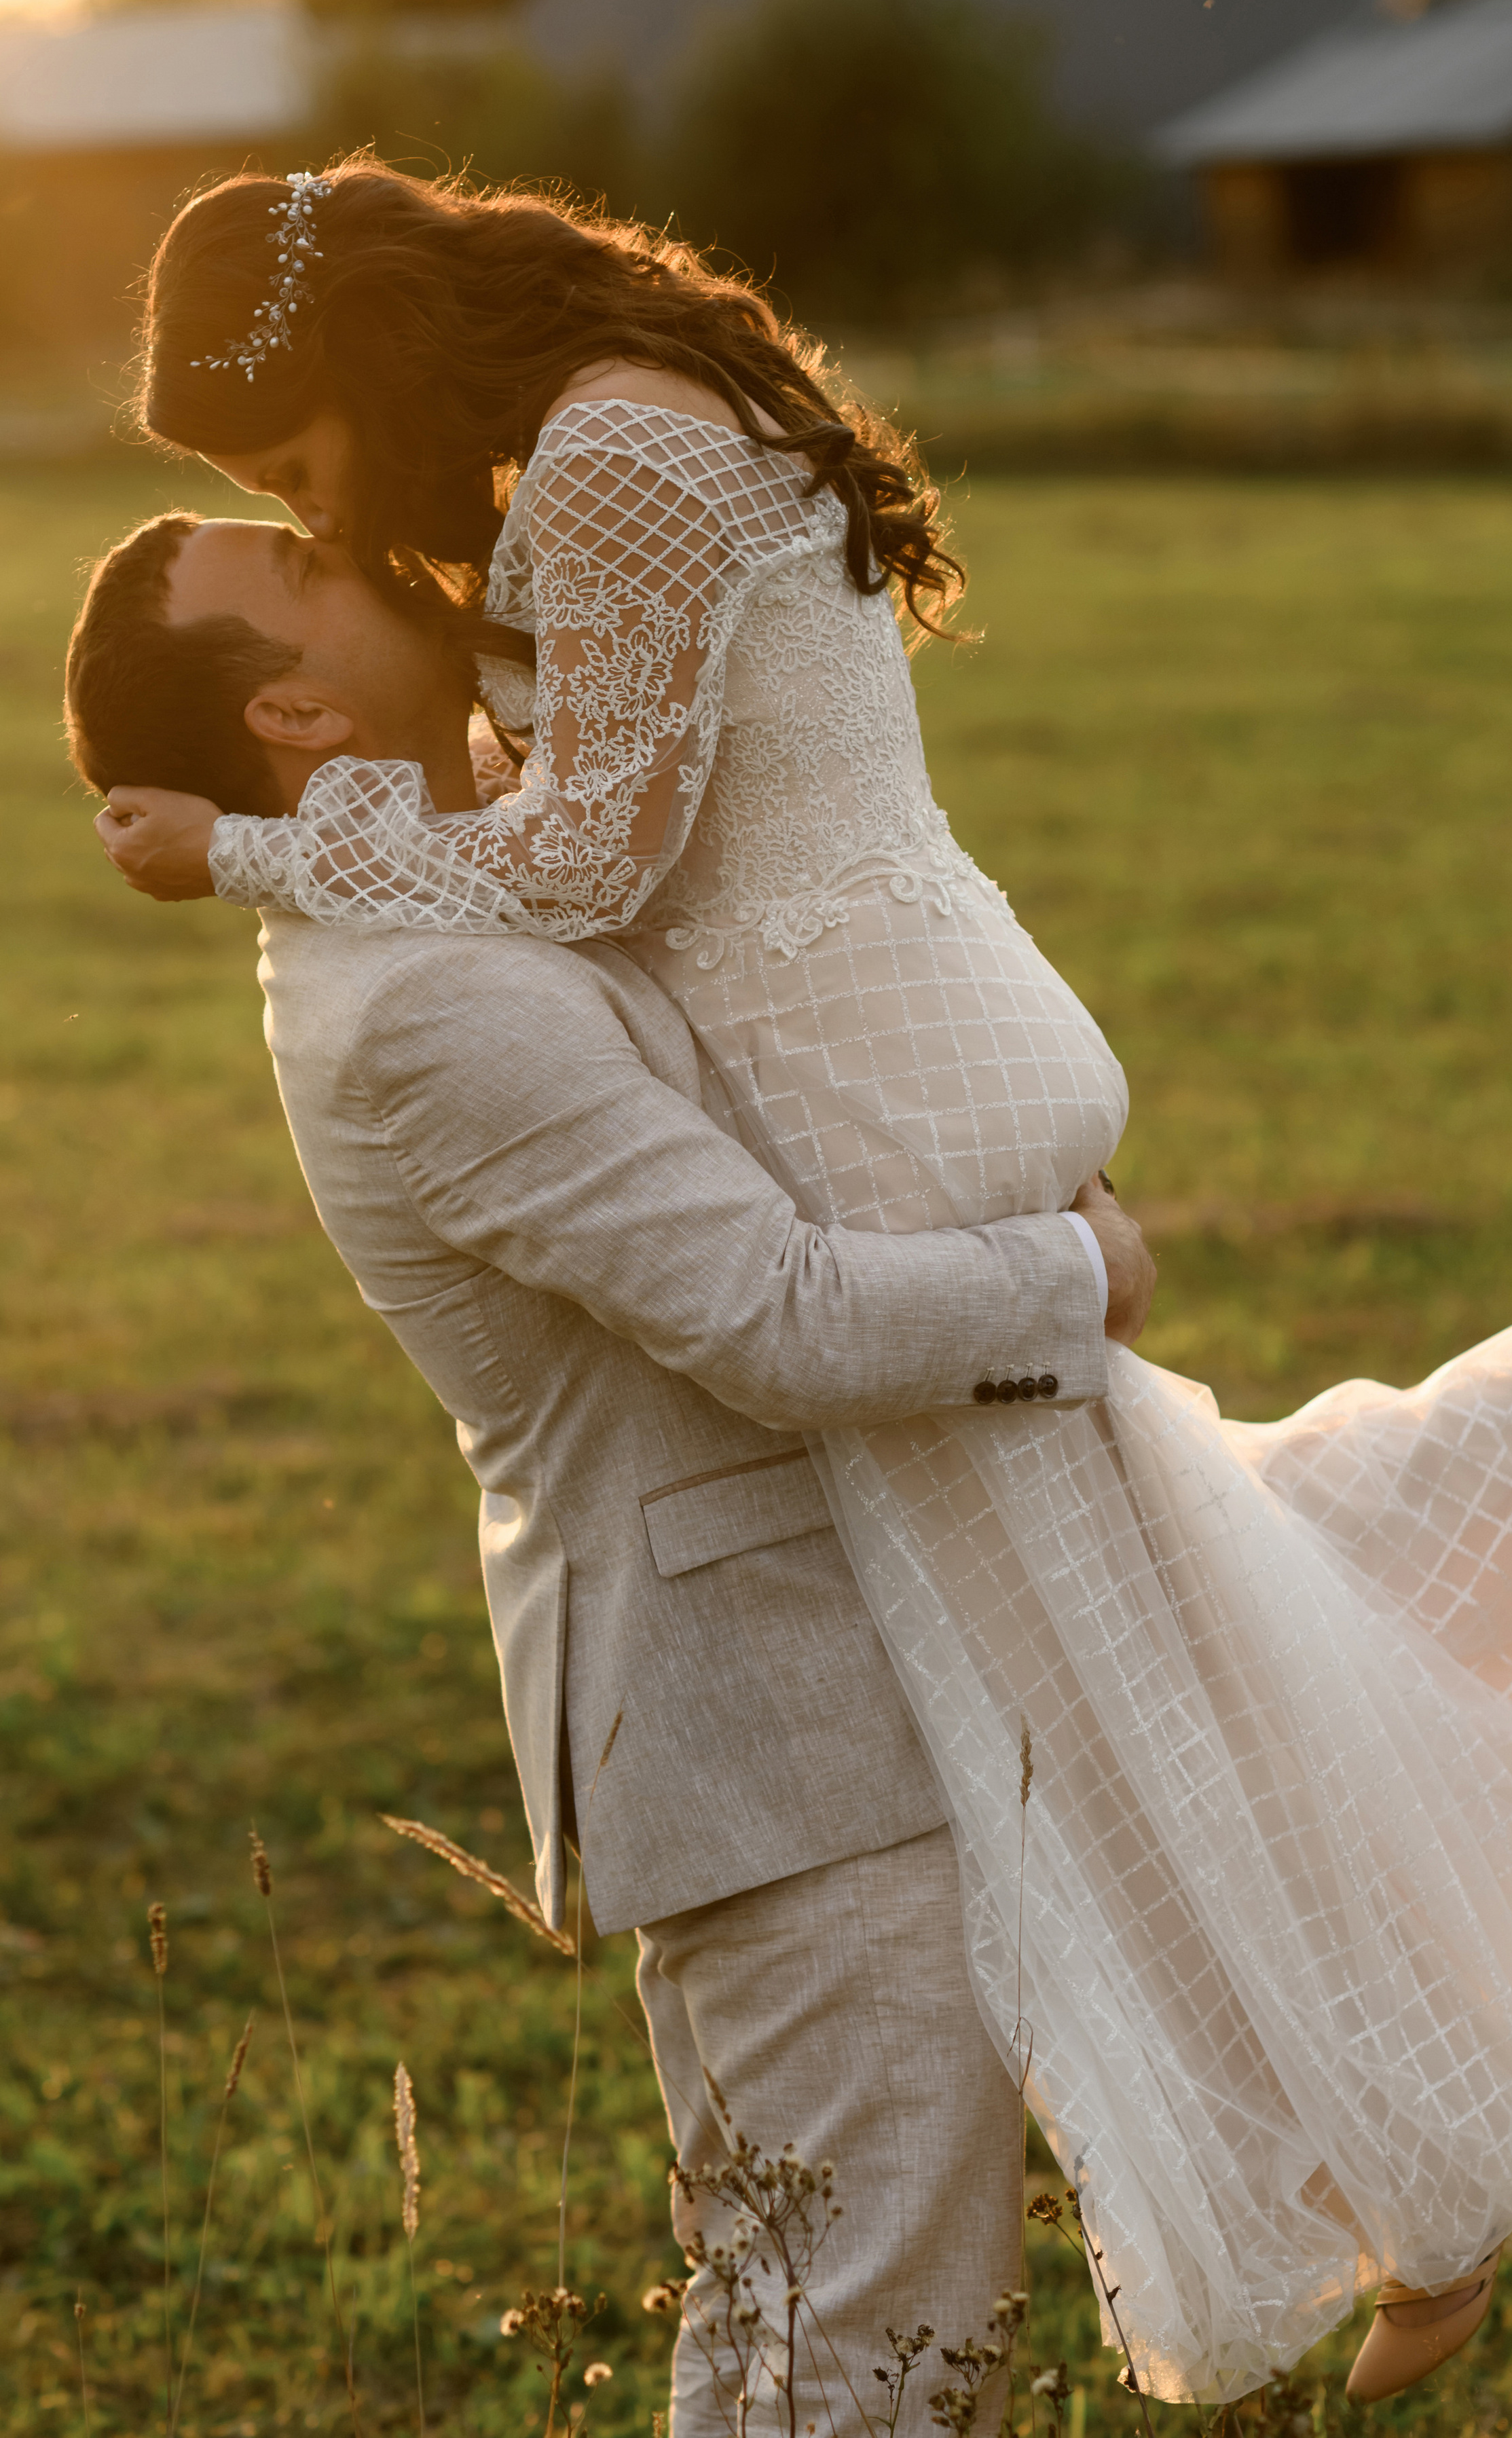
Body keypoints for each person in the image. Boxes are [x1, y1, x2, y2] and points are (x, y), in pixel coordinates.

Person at [96, 162, 1512, 2409]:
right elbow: (575, 829)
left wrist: (251, 844)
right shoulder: (602, 455)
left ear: (356, 363)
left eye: (295, 478)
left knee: (1144, 1652)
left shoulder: (606, 456)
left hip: (858, 1072)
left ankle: (1416, 2158)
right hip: (871, 1060)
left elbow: (586, 855)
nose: (338, 527)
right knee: (1174, 1607)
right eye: (294, 531)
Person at [66, 504, 1157, 2436]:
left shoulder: (468, 860)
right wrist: (1080, 1272)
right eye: (302, 563)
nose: (352, 538)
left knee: (786, 2329)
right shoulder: (428, 1003)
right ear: (299, 714)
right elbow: (776, 1317)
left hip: (776, 1697)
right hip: (776, 1729)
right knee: (875, 2355)